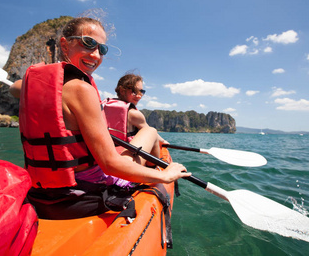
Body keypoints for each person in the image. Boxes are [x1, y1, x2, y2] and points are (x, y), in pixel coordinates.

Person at [12, 17, 191, 219]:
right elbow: (109, 164)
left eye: (102, 49)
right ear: (64, 44)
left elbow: (13, 87)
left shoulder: (31, 85)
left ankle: (153, 160)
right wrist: (166, 175)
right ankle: (155, 166)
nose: (96, 54)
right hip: (85, 194)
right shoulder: (81, 89)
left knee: (145, 135)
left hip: (44, 193)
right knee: (150, 131)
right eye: (88, 43)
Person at [102, 73, 168, 166]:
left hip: (105, 154)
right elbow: (154, 136)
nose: (139, 95)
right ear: (122, 90)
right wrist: (164, 142)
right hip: (125, 162)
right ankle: (152, 168)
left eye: (141, 92)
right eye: (134, 91)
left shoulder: (104, 106)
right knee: (151, 131)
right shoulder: (134, 114)